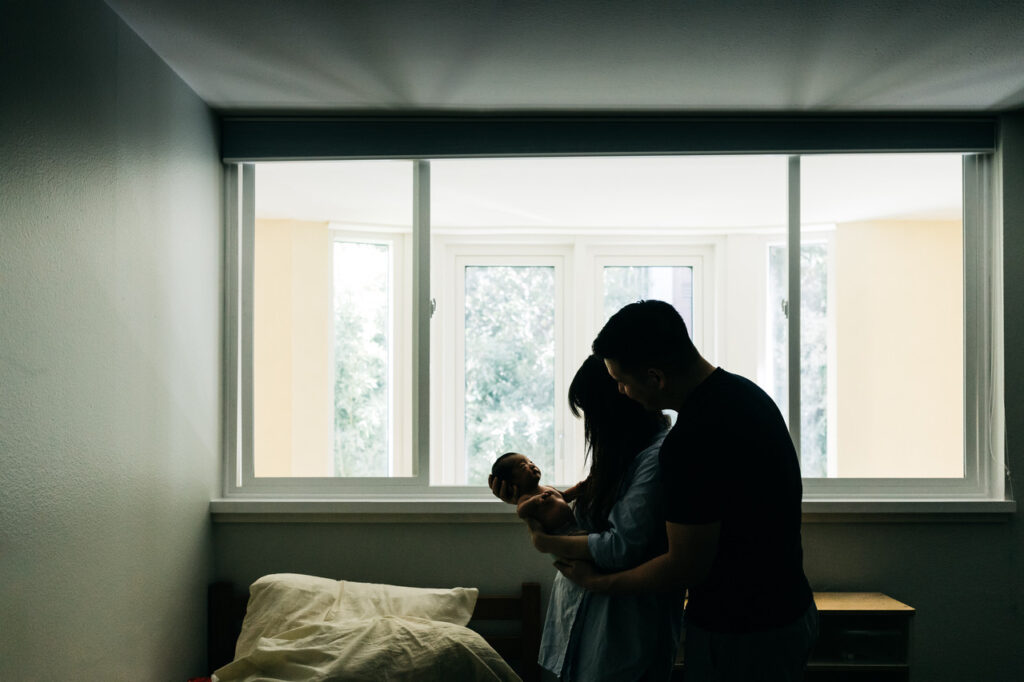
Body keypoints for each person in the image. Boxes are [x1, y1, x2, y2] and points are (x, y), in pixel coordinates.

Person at [550, 299, 817, 681]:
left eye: (622, 381)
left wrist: (599, 583)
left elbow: (685, 564)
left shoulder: (690, 441)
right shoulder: (748, 395)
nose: (621, 392)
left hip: (741, 630)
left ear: (655, 378)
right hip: (788, 610)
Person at [490, 355, 684, 681]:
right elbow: (583, 522)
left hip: (621, 631)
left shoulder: (656, 458)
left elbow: (621, 547)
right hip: (586, 623)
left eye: (592, 413)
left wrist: (546, 542)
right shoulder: (622, 454)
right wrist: (530, 506)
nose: (591, 427)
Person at [490, 452, 576, 534]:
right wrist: (534, 501)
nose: (531, 465)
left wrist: (578, 488)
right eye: (523, 466)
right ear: (512, 482)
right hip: (559, 532)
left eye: (531, 462)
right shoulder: (526, 498)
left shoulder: (547, 488)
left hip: (574, 525)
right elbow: (521, 512)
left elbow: (565, 496)